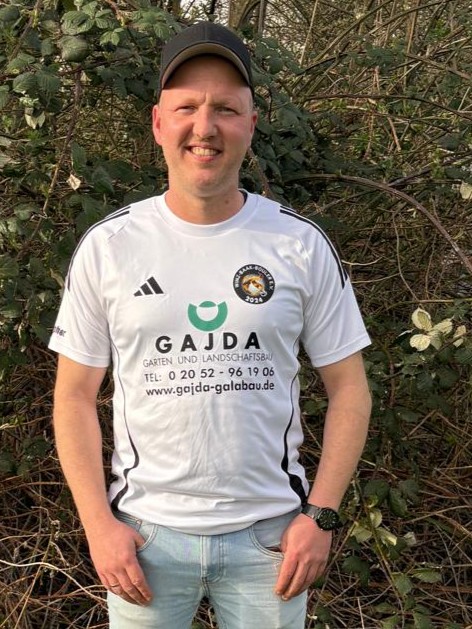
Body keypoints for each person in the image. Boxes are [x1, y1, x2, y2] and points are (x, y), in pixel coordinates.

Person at [49, 21, 372, 629]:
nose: (205, 127)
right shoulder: (110, 247)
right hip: (144, 540)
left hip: (272, 542)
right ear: (157, 123)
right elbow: (72, 396)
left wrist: (322, 515)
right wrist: (97, 526)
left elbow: (350, 389)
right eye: (187, 108)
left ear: (251, 125)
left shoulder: (299, 245)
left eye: (225, 108)